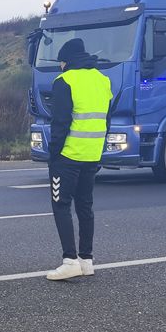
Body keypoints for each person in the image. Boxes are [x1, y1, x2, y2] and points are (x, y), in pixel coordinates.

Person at [44, 38, 113, 281]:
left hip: (69, 154)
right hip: (92, 153)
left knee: (61, 204)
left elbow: (59, 123)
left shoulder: (65, 81)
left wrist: (53, 155)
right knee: (85, 206)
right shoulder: (103, 80)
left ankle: (70, 260)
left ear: (66, 61)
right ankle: (86, 260)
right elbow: (107, 119)